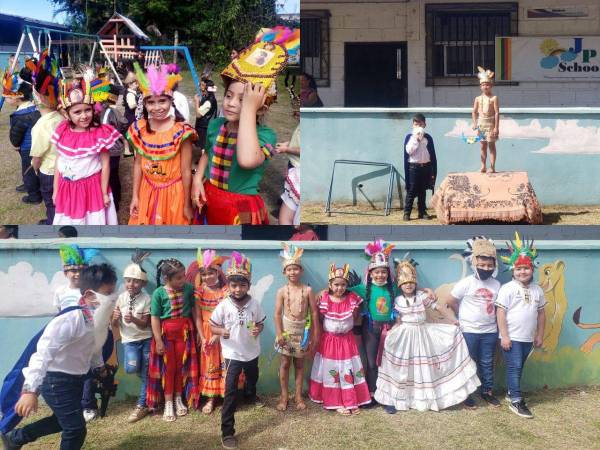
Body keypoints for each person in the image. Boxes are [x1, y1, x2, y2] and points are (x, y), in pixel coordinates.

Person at [0, 264, 118, 450]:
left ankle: (16, 438)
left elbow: (94, 348)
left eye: (114, 293)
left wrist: (100, 369)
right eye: (107, 294)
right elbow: (42, 355)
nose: (113, 298)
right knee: (76, 429)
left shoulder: (99, 319)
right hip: (56, 381)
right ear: (89, 295)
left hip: (75, 380)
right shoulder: (69, 320)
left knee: (61, 421)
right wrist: (30, 391)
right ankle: (16, 437)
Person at [192, 36, 292, 225]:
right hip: (211, 196)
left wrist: (249, 108)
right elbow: (207, 153)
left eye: (242, 100)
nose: (230, 103)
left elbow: (247, 160)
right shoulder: (216, 125)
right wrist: (198, 179)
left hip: (241, 206)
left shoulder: (266, 136)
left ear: (261, 108)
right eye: (229, 96)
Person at [374, 259, 480, 413]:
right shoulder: (397, 300)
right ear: (399, 285)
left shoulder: (422, 297)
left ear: (415, 283)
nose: (408, 285)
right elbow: (397, 320)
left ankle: (433, 396)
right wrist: (390, 333)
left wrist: (453, 321)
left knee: (425, 367)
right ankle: (401, 398)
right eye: (405, 283)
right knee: (407, 368)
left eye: (411, 282)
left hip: (423, 334)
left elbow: (439, 307)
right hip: (406, 336)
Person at [128, 63, 197, 225]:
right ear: (144, 104)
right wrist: (135, 196)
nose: (157, 107)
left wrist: (187, 204)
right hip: (147, 191)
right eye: (151, 102)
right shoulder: (140, 129)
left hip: (174, 194)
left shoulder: (181, 131)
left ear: (171, 101)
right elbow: (138, 165)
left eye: (162, 101)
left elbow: (186, 171)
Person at [210, 252, 266, 449]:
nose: (238, 289)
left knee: (253, 377)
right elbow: (212, 326)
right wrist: (221, 331)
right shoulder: (224, 305)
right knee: (231, 391)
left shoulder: (255, 304)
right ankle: (227, 432)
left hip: (252, 352)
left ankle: (251, 394)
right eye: (234, 285)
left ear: (248, 286)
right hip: (232, 354)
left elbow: (260, 324)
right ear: (229, 286)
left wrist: (258, 328)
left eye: (242, 285)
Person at [51, 70, 120, 225]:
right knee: (70, 222)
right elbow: (59, 162)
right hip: (67, 188)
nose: (84, 116)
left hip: (92, 189)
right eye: (77, 112)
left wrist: (103, 193)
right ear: (67, 114)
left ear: (93, 109)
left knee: (93, 221)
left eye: (87, 110)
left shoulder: (99, 133)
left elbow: (105, 164)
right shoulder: (63, 130)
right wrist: (56, 189)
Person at [446, 236, 502, 409]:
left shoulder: (497, 284)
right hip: (469, 330)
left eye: (489, 266)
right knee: (468, 362)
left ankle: (487, 392)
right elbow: (451, 300)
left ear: (494, 266)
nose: (486, 268)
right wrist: (459, 318)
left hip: (490, 331)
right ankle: (466, 394)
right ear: (474, 263)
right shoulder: (467, 283)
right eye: (482, 265)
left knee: (487, 362)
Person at [309, 263, 371, 415]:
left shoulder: (352, 299)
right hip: (330, 342)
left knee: (348, 368)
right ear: (329, 284)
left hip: (347, 341)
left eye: (343, 285)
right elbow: (320, 318)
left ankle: (351, 399)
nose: (339, 288)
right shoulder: (324, 299)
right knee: (333, 371)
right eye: (336, 284)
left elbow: (356, 318)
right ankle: (335, 401)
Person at [496, 233, 546, 419]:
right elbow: (500, 312)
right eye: (518, 269)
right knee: (514, 366)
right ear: (512, 270)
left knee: (519, 367)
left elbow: (541, 314)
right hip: (512, 337)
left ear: (532, 269)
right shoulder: (507, 289)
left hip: (528, 338)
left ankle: (511, 392)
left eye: (526, 268)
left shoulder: (537, 290)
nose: (522, 272)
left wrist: (539, 335)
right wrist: (505, 336)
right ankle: (516, 400)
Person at [147, 258, 199, 421]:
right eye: (178, 278)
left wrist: (198, 331)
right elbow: (154, 318)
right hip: (166, 335)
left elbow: (194, 310)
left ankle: (178, 398)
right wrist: (159, 341)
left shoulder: (189, 289)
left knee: (180, 366)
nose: (183, 280)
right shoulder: (159, 293)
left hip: (184, 333)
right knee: (168, 368)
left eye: (183, 276)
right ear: (166, 279)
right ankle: (168, 402)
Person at [347, 239, 397, 405]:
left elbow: (410, 288)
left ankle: (389, 393)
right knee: (371, 362)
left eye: (383, 272)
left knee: (388, 362)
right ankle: (372, 392)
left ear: (388, 273)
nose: (380, 275)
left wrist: (426, 290)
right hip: (370, 329)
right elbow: (340, 289)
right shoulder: (363, 288)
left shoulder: (393, 288)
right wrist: (324, 292)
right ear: (371, 273)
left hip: (390, 330)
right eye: (377, 272)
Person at [192, 249, 240, 415]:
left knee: (226, 363)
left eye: (211, 273)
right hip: (206, 331)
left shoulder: (226, 292)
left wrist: (217, 334)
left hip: (223, 331)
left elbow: (230, 316)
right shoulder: (199, 292)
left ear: (218, 273)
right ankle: (211, 398)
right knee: (209, 364)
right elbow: (197, 316)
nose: (207, 277)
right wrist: (201, 334)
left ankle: (227, 395)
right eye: (204, 274)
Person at [274, 243, 319, 411]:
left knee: (300, 365)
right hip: (286, 331)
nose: (292, 272)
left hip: (302, 332)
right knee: (285, 363)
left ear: (301, 271)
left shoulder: (307, 290)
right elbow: (277, 314)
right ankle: (284, 396)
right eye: (289, 269)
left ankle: (298, 395)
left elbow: (314, 313)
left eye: (296, 269)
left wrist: (314, 335)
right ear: (284, 272)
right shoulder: (281, 291)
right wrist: (279, 334)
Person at [111, 254, 152, 423]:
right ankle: (148, 390)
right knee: (130, 368)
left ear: (142, 283)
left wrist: (133, 319)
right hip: (129, 341)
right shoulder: (121, 298)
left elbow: (144, 324)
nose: (131, 284)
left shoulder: (147, 299)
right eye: (128, 280)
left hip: (146, 339)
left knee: (146, 373)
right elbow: (114, 323)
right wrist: (114, 317)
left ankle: (142, 404)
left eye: (136, 281)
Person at [27, 51, 63, 224]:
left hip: (49, 173)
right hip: (64, 171)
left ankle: (52, 224)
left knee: (51, 203)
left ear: (36, 98)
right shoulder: (62, 118)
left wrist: (34, 168)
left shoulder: (41, 126)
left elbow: (36, 158)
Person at [4, 66, 42, 204]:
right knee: (36, 170)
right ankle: (33, 187)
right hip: (37, 146)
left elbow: (15, 135)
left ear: (18, 97)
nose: (6, 99)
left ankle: (34, 196)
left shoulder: (19, 116)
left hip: (26, 148)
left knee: (28, 172)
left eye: (8, 96)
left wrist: (15, 145)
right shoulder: (34, 109)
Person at [94, 80, 129, 212]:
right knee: (113, 175)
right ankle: (117, 197)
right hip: (114, 148)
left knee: (110, 175)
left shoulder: (107, 112)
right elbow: (123, 123)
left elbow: (106, 129)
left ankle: (115, 201)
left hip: (110, 150)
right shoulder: (110, 111)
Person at [403, 113, 437, 221]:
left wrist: (432, 168)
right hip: (414, 167)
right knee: (412, 190)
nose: (418, 126)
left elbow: (431, 154)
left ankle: (422, 212)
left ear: (424, 125)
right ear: (413, 125)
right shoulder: (410, 137)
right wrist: (416, 140)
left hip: (425, 167)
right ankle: (407, 212)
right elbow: (409, 151)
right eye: (415, 123)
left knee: (422, 190)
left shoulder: (428, 138)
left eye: (420, 124)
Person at [277, 94, 301, 225]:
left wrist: (286, 150)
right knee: (289, 189)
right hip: (293, 164)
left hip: (298, 167)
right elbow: (295, 142)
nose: (295, 116)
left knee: (293, 189)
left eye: (298, 113)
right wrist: (287, 144)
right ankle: (286, 202)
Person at [472, 66, 500, 173]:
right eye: (483, 84)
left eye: (487, 84)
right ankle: (483, 165)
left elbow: (497, 112)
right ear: (480, 86)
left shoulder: (494, 98)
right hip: (481, 125)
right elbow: (474, 112)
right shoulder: (477, 99)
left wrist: (496, 127)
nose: (485, 86)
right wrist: (474, 123)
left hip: (491, 124)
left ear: (491, 85)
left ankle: (492, 167)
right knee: (482, 145)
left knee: (491, 145)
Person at [54, 244, 97, 312]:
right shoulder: (60, 291)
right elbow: (59, 313)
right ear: (65, 273)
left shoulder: (91, 291)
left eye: (81, 271)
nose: (78, 274)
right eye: (74, 271)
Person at [194, 78, 218, 151]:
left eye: (202, 85)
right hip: (205, 127)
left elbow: (198, 115)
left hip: (204, 128)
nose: (200, 86)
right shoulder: (208, 97)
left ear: (206, 88)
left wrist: (196, 102)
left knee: (202, 148)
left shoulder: (209, 101)